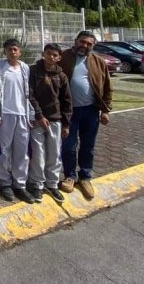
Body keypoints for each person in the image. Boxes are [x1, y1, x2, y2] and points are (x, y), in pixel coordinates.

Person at [59, 30, 112, 200]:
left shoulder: (98, 61)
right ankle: (69, 176)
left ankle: (85, 177)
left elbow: (107, 86)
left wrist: (105, 110)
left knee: (88, 146)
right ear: (75, 41)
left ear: (93, 45)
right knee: (68, 146)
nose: (85, 46)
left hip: (90, 111)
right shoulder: (63, 57)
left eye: (89, 44)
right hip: (68, 112)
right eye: (82, 42)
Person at [0, 38, 35, 204]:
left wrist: (30, 114)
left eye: (15, 49)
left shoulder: (25, 68)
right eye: (9, 49)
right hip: (5, 115)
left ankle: (20, 184)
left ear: (20, 52)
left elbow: (29, 93)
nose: (12, 52)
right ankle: (4, 183)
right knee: (3, 151)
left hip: (22, 115)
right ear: (5, 51)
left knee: (22, 152)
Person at [27, 43, 72, 204]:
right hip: (38, 120)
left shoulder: (62, 76)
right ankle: (37, 184)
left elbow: (67, 101)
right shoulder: (33, 71)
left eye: (55, 55)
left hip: (56, 120)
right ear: (43, 54)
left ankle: (52, 183)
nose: (51, 57)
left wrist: (66, 124)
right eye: (48, 54)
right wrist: (39, 115)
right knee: (38, 153)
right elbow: (30, 95)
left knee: (54, 153)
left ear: (59, 57)